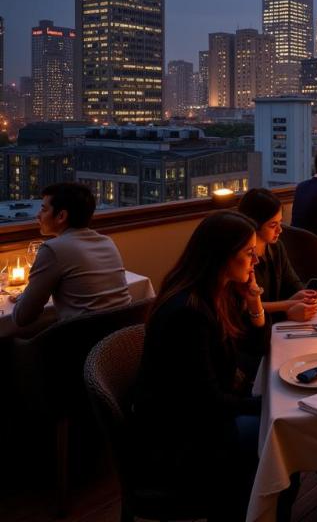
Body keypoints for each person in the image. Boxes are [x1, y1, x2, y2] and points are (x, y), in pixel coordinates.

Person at [133, 211, 267, 522]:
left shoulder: (217, 293)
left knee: (283, 426)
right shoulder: (188, 314)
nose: (256, 260)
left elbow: (257, 348)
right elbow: (209, 402)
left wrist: (254, 303)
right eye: (249, 252)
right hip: (181, 439)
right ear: (221, 255)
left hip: (198, 417)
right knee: (276, 434)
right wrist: (268, 405)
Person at [12, 182, 131, 329]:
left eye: (44, 209)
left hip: (83, 343)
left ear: (61, 216)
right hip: (121, 335)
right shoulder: (107, 241)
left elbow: (22, 317)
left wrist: (23, 296)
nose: (38, 215)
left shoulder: (53, 249)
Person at [238, 188, 317, 322]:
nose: (280, 230)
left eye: (280, 223)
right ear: (254, 224)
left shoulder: (276, 248)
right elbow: (246, 307)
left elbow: (292, 283)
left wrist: (303, 296)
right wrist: (288, 307)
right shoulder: (241, 260)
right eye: (273, 225)